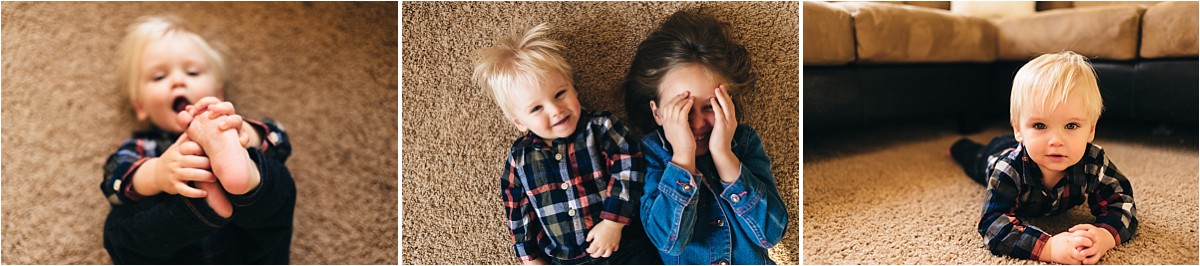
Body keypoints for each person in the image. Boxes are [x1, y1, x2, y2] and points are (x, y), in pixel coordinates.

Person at [101, 15, 295, 264]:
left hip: (248, 247)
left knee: (278, 182)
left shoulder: (231, 127)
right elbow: (114, 183)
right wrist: (158, 173)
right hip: (177, 250)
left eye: (192, 72)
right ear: (141, 107)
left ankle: (247, 177)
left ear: (217, 92)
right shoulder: (145, 146)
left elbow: (280, 140)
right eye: (159, 77)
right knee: (118, 230)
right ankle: (200, 209)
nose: (178, 81)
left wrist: (244, 132)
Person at [473, 23, 661, 265]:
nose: (555, 110)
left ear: (574, 87)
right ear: (520, 122)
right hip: (565, 259)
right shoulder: (520, 159)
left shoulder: (600, 127)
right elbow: (518, 212)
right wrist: (530, 258)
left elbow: (629, 166)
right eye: (536, 108)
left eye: (560, 94)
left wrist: (613, 221)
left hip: (622, 244)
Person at [622, 11, 788, 264]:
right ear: (657, 112)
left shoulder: (743, 143)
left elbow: (771, 233)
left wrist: (724, 155)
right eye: (684, 110)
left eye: (710, 106)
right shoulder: (650, 154)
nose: (698, 123)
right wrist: (682, 158)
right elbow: (669, 241)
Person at [949, 51, 1137, 264]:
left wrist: (1105, 236)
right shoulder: (1007, 168)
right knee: (974, 158)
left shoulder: (1093, 161)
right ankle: (960, 146)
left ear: (1091, 130)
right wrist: (1048, 248)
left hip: (1029, 146)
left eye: (1071, 126)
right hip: (997, 153)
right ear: (1018, 128)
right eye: (1040, 125)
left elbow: (1122, 202)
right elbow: (993, 224)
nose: (1056, 140)